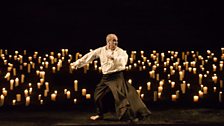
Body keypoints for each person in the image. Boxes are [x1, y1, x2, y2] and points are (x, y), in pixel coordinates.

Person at [71, 33, 151, 122]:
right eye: (114, 41)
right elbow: (89, 56)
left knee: (120, 97)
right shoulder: (101, 50)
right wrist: (77, 63)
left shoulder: (121, 51)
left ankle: (129, 116)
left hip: (117, 76)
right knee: (97, 96)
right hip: (106, 77)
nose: (116, 43)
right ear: (108, 42)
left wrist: (114, 58)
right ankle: (100, 114)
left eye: (117, 41)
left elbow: (123, 61)